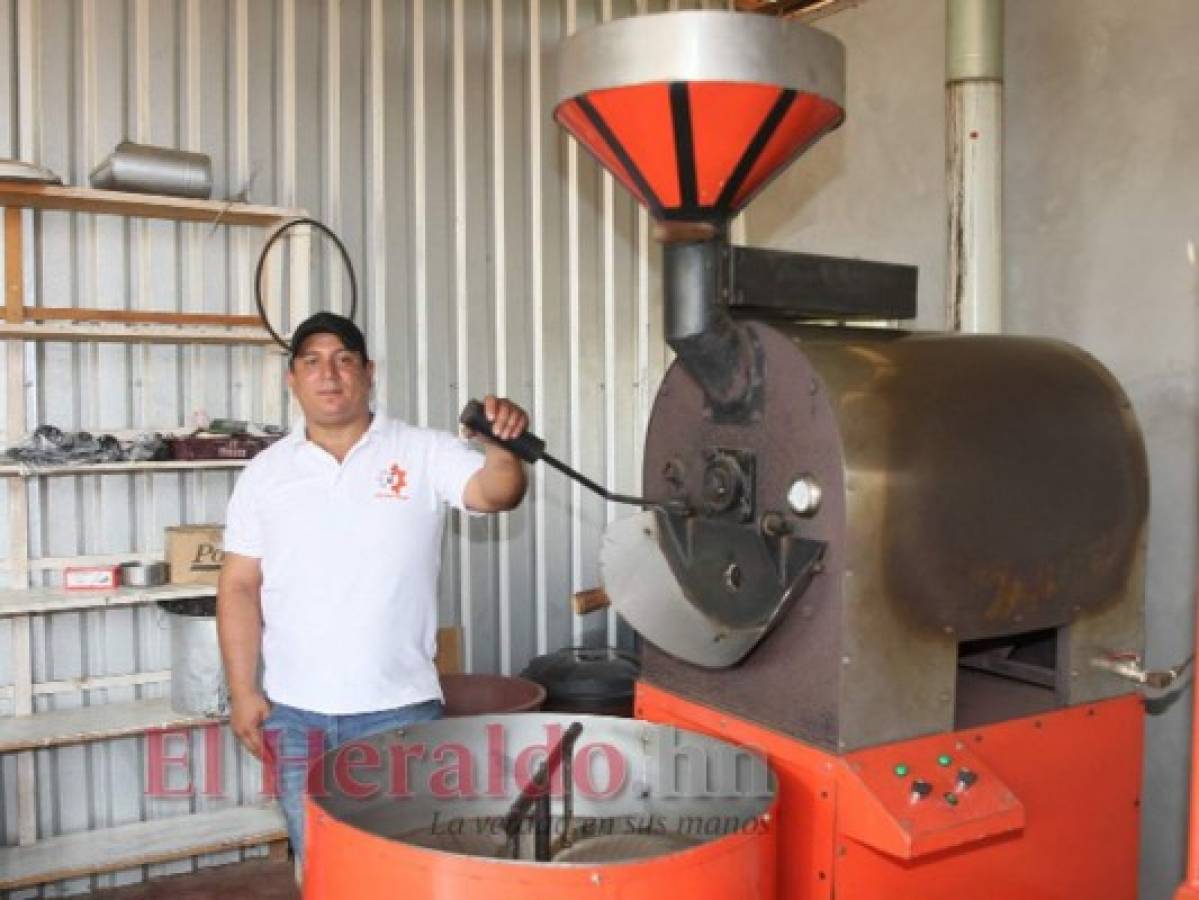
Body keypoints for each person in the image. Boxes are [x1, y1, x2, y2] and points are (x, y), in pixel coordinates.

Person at [216, 311, 528, 866]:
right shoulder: (265, 473)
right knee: (321, 865)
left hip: (399, 713)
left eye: (344, 360)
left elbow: (493, 492)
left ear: (369, 372)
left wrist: (502, 447)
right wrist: (243, 691)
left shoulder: (422, 451)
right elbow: (239, 586)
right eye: (311, 362)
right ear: (293, 380)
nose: (329, 374)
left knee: (406, 868)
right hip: (295, 717)